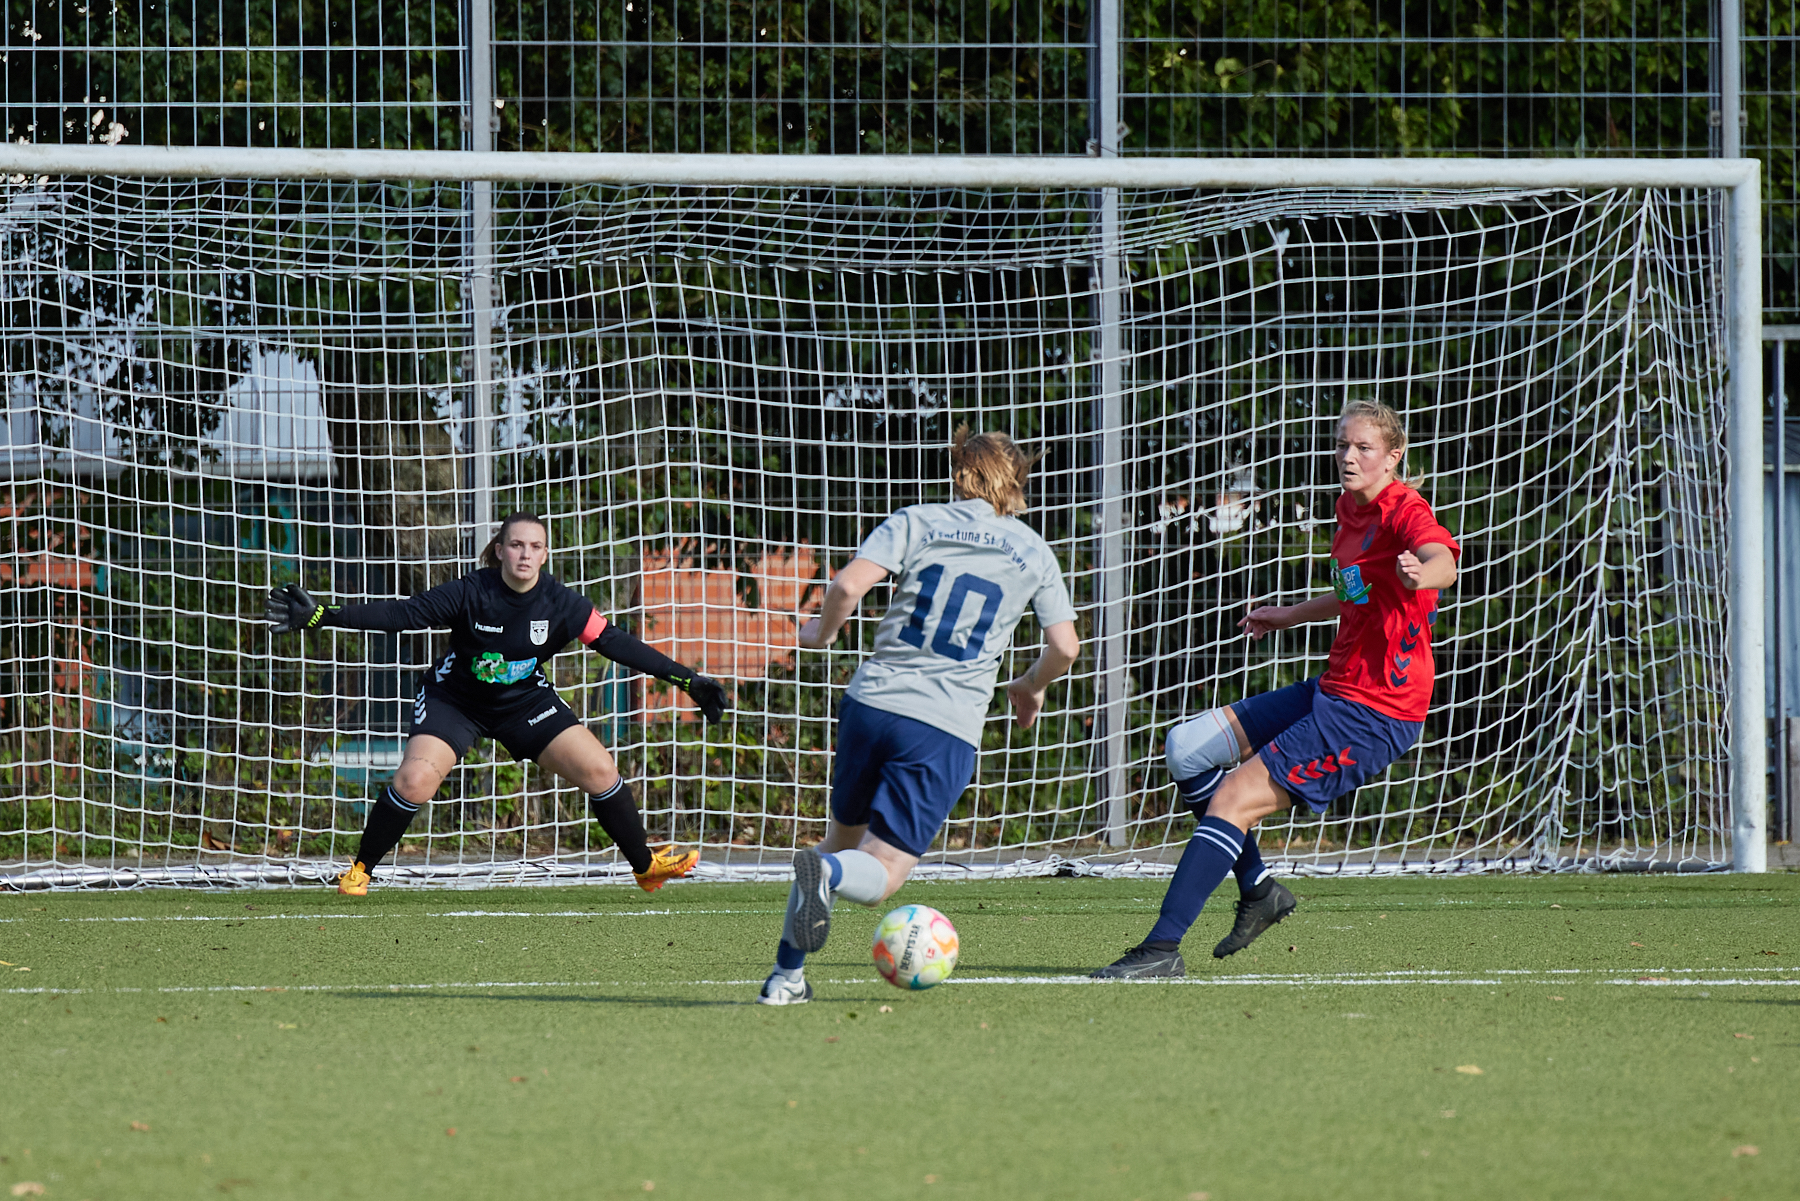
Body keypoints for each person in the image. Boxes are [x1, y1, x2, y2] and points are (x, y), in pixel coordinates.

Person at [1092, 400, 1459, 978]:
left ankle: (1161, 950)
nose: (1348, 456)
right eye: (1342, 444)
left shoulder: (1404, 510)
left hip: (1376, 712)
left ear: (1393, 457)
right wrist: (1288, 614)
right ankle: (1260, 889)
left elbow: (1443, 560)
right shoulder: (1349, 508)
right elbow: (1355, 593)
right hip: (1336, 688)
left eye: (1363, 447)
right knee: (1186, 749)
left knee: (1231, 800)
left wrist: (1425, 572)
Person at [757, 426, 1082, 1006]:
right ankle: (828, 876)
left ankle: (786, 979)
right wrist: (1030, 686)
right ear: (1019, 479)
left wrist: (820, 633)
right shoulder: (1033, 550)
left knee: (839, 842)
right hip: (942, 725)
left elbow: (847, 584)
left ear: (959, 471)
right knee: (880, 873)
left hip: (871, 704)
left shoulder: (917, 520)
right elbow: (1065, 647)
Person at [265, 511, 729, 895]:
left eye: (535, 546)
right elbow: (404, 614)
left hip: (525, 703)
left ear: (544, 555)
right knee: (415, 781)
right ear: (500, 550)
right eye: (517, 545)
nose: (525, 553)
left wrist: (687, 679)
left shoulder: (562, 604)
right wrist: (325, 615)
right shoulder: (471, 592)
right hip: (456, 701)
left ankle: (645, 867)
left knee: (601, 771)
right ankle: (361, 870)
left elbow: (616, 643)